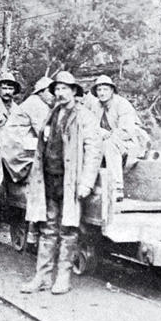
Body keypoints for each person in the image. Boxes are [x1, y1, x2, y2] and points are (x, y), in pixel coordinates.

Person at [21, 71, 102, 295]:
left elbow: (93, 150)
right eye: (57, 89)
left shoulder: (85, 116)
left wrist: (86, 183)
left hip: (70, 183)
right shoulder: (53, 113)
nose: (60, 92)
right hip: (49, 180)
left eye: (65, 88)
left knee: (68, 230)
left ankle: (63, 277)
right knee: (47, 229)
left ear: (75, 91)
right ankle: (42, 277)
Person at [89, 75, 149, 202]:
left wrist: (106, 135)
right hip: (106, 140)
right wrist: (99, 132)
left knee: (108, 145)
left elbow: (126, 132)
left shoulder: (122, 104)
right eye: (99, 90)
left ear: (112, 90)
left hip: (130, 143)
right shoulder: (96, 106)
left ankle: (117, 188)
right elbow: (90, 126)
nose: (102, 93)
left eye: (105, 89)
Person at [0, 76, 54, 183]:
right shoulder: (36, 104)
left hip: (16, 147)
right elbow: (44, 134)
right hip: (17, 152)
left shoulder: (38, 103)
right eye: (50, 92)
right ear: (40, 92)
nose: (54, 96)